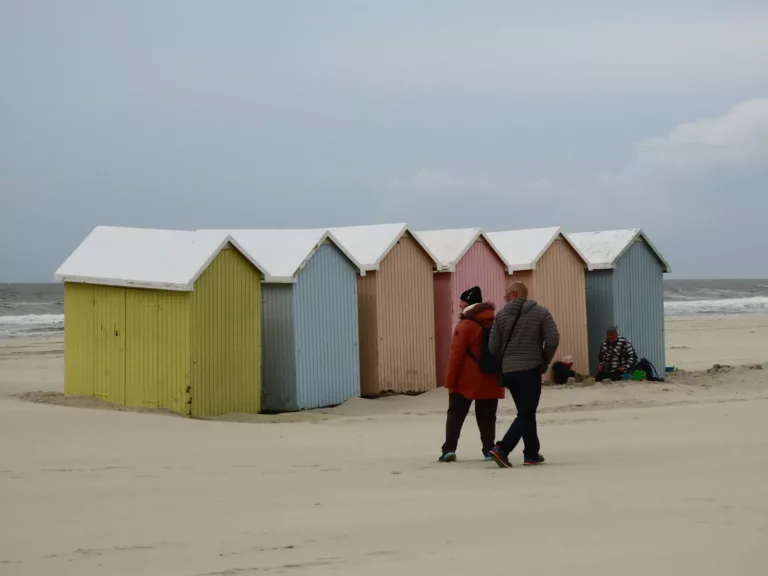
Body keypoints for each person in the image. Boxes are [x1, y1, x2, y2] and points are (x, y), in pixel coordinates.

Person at [487, 282, 560, 468]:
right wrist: (544, 360)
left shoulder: (501, 316)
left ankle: (532, 453)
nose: (504, 298)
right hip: (530, 369)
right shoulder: (541, 312)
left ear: (513, 293)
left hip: (509, 372)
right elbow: (552, 339)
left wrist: (507, 359)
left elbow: (493, 346)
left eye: (505, 295)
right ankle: (502, 449)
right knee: (527, 412)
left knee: (526, 411)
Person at [439, 286, 504, 462]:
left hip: (466, 380)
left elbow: (456, 355)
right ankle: (489, 450)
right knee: (487, 417)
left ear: (468, 303)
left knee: (456, 415)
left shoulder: (466, 324)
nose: (459, 305)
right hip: (491, 377)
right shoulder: (496, 322)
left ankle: (449, 449)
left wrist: (450, 380)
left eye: (461, 301)